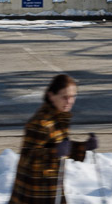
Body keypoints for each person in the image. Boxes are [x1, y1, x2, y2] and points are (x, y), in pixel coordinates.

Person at [9, 74, 98, 204]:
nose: (69, 101)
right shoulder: (40, 123)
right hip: (33, 192)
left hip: (50, 187)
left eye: (73, 96)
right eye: (65, 97)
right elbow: (28, 157)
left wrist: (83, 147)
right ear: (51, 96)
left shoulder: (58, 118)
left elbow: (60, 147)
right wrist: (55, 152)